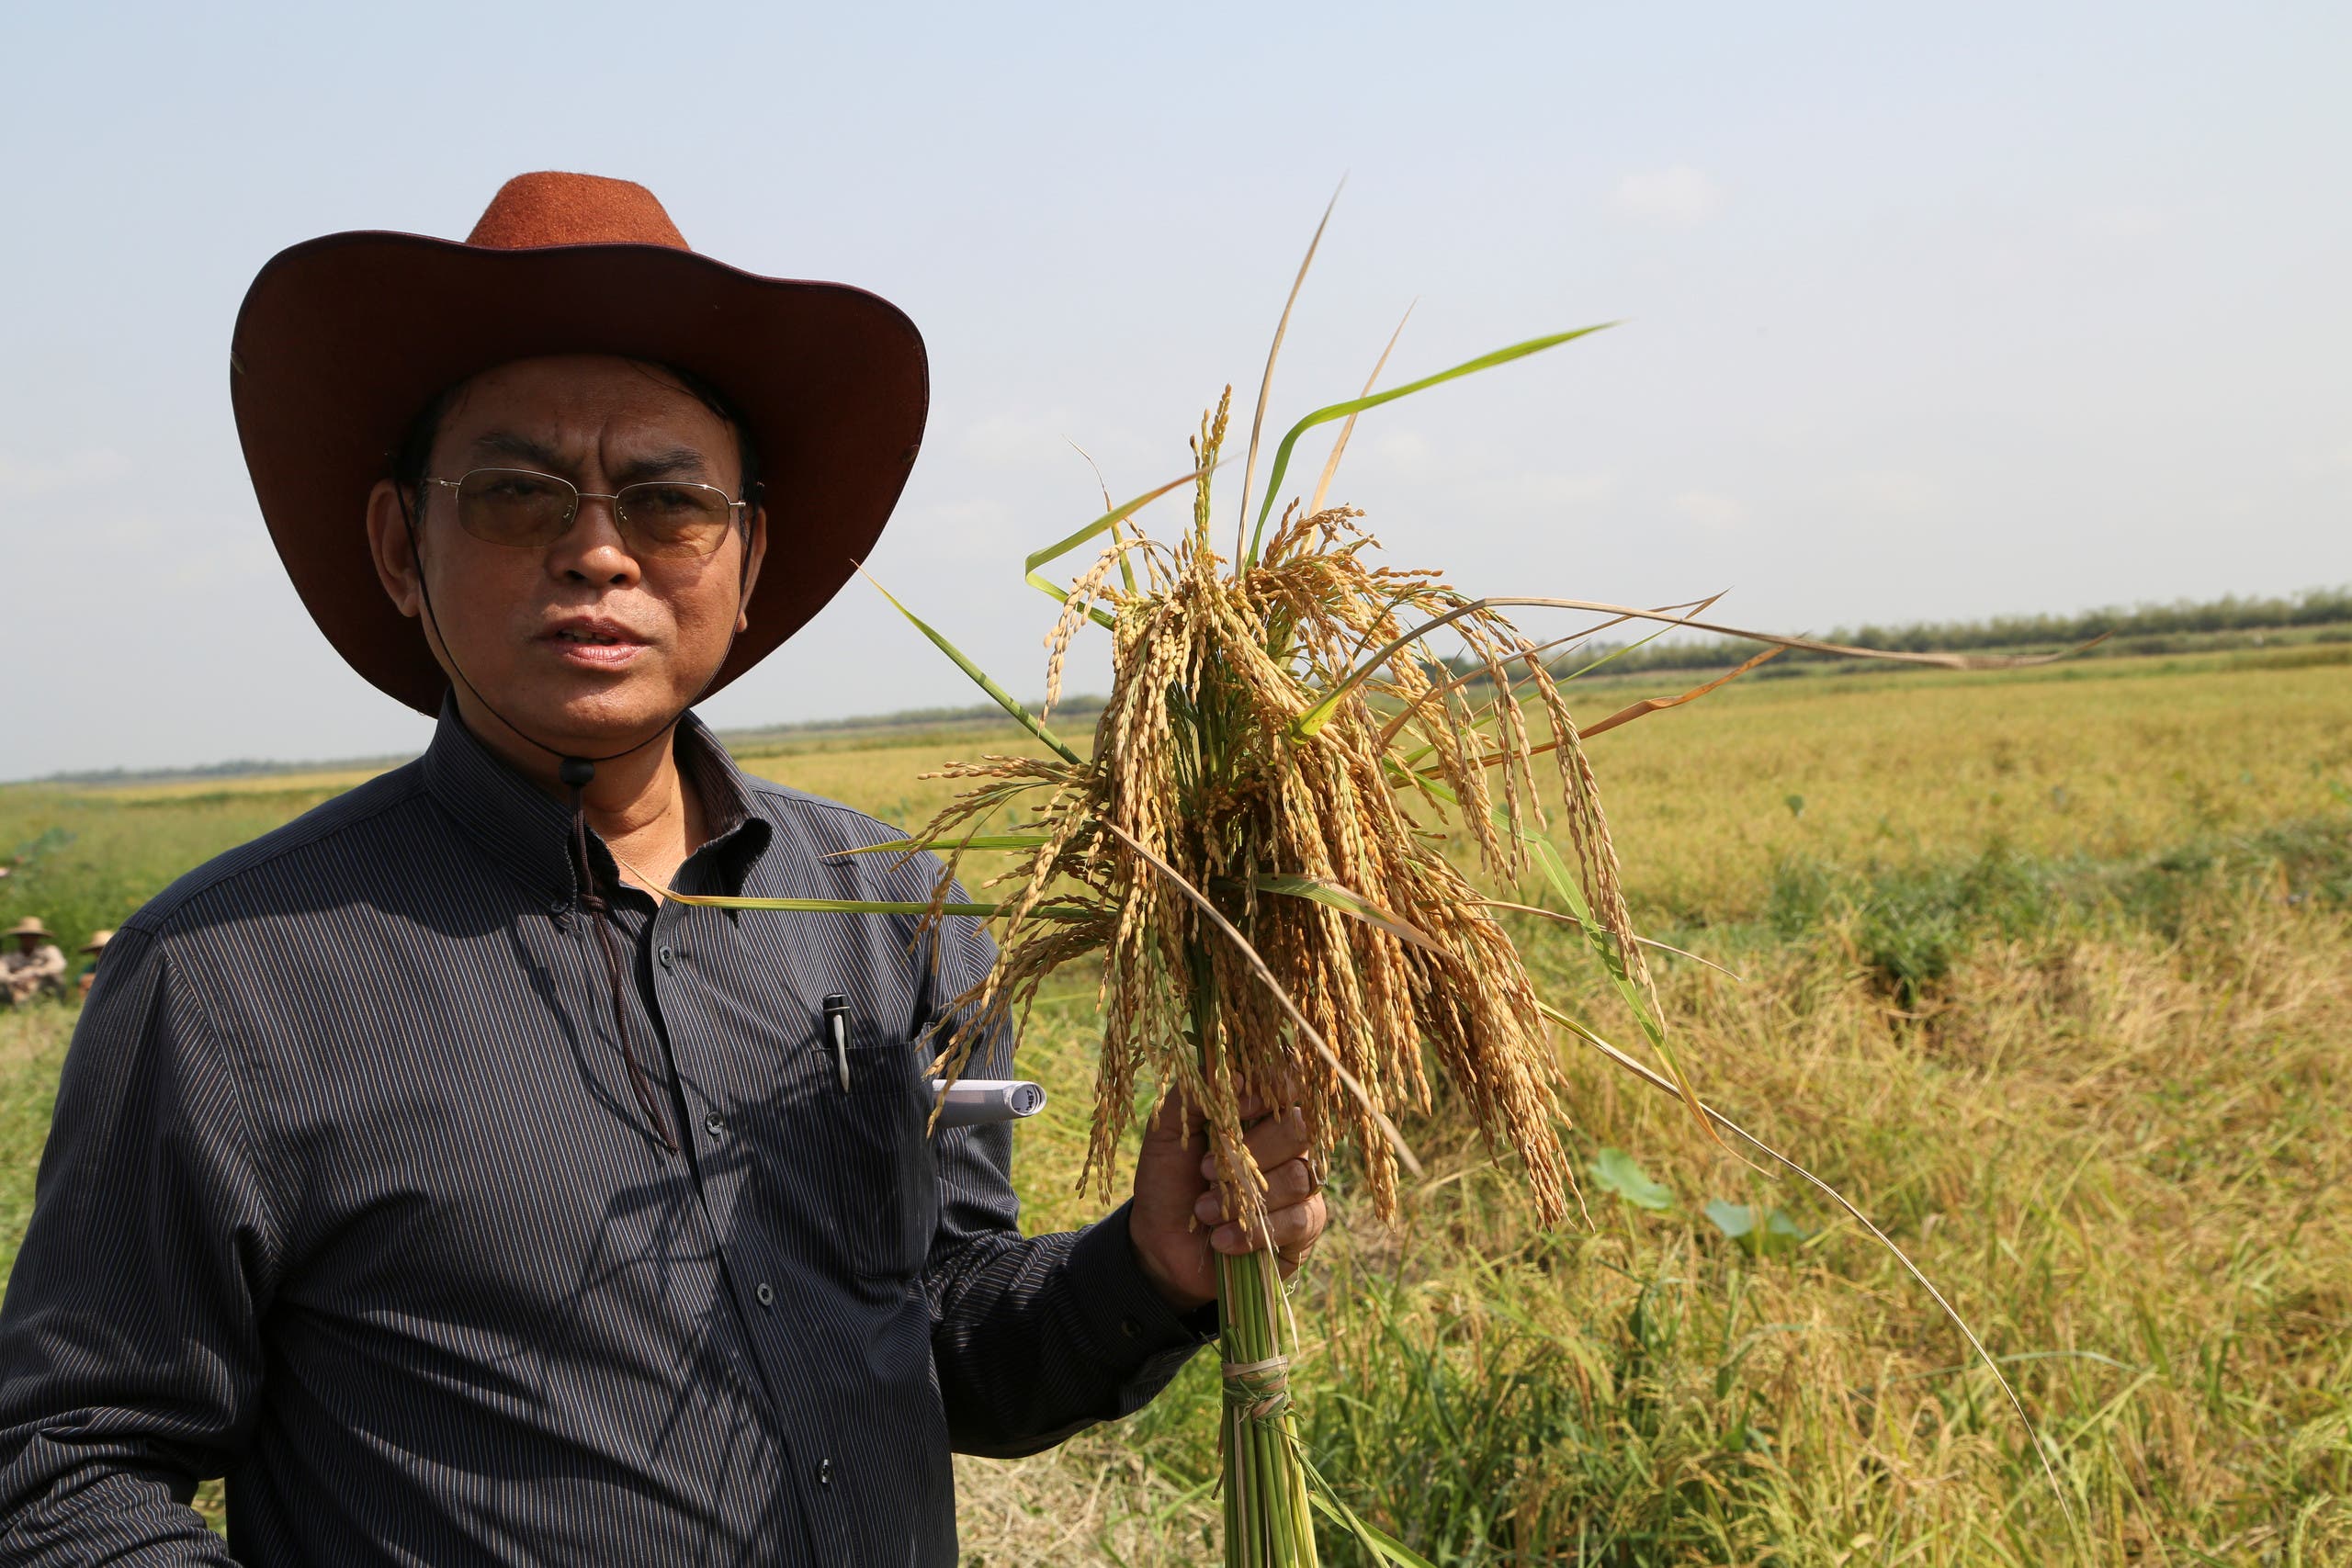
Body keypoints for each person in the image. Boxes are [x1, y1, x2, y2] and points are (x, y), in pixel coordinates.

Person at [0, 173, 1328, 1565]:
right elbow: (66, 1469)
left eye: (668, 499)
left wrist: (1151, 1264)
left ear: (748, 555)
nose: (595, 551)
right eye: (515, 495)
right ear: (403, 548)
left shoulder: (891, 907)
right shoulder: (230, 980)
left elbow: (947, 1338)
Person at [0, 919, 66, 1006]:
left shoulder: (48, 950)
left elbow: (60, 964)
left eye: (33, 936)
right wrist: (14, 979)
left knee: (57, 978)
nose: (29, 939)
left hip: (41, 986)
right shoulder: (11, 956)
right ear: (20, 937)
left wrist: (35, 972)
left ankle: (49, 1003)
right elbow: (1, 971)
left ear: (38, 937)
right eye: (26, 936)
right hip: (17, 988)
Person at [74, 929, 111, 999]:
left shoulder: (119, 964)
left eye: (103, 949)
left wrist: (96, 978)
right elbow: (78, 979)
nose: (100, 952)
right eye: (97, 950)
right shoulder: (93, 966)